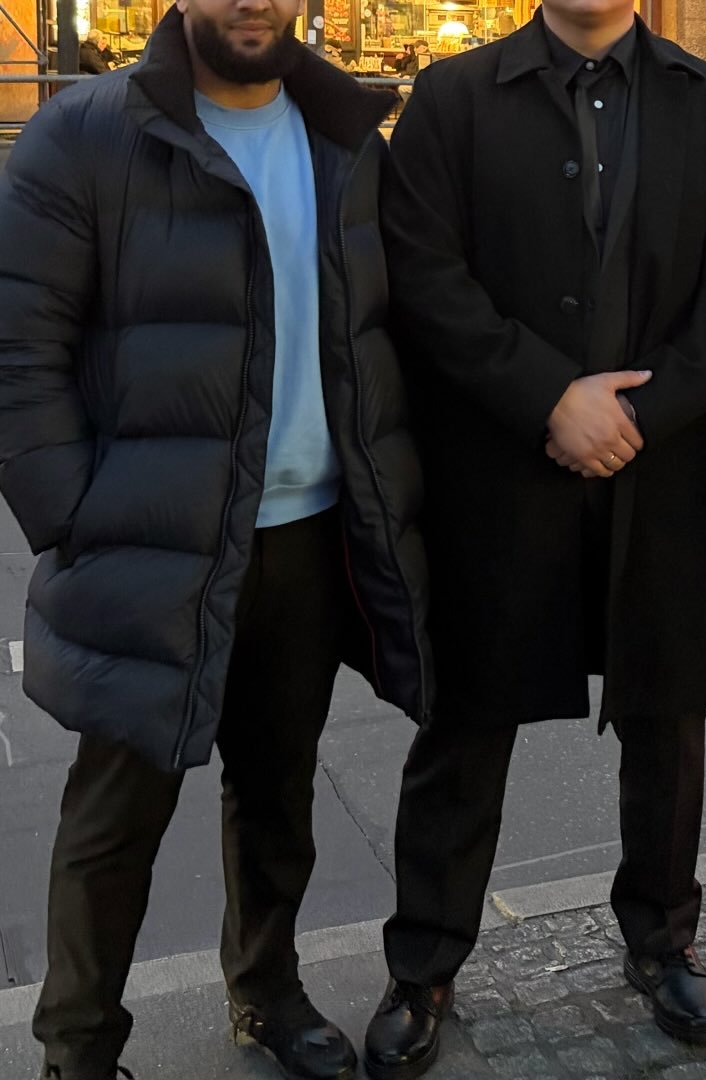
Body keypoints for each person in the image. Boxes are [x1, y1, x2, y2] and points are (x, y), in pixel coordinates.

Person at [0, 0, 432, 1075]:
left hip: (309, 535)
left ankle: (266, 991)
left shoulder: (346, 140)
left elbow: (386, 327)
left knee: (279, 790)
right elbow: (17, 347)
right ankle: (77, 1050)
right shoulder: (85, 134)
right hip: (151, 536)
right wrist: (76, 514)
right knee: (116, 813)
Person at [361, 0, 706, 1075]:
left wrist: (640, 411)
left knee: (667, 712)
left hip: (662, 464)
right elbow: (422, 272)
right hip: (497, 465)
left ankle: (664, 937)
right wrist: (547, 396)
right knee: (465, 720)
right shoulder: (454, 98)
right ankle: (424, 961)